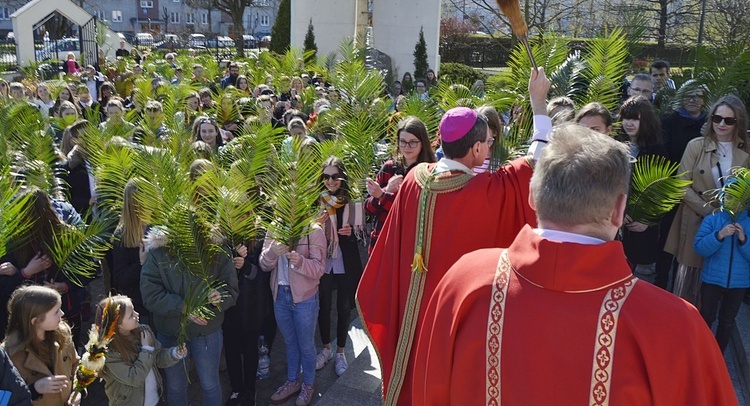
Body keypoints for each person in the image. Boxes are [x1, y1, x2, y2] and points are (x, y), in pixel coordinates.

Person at [412, 124, 738, 405]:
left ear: (531, 196)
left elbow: (428, 391)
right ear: (618, 211)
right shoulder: (676, 326)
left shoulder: (464, 282)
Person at [358, 68, 551, 405]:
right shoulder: (487, 193)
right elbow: (538, 161)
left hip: (411, 313)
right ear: (477, 148)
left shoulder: (417, 177)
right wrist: (538, 103)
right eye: (487, 143)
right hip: (454, 322)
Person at [140, 220, 239, 406]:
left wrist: (220, 297)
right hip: (172, 332)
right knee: (176, 386)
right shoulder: (159, 251)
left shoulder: (216, 249)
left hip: (207, 331)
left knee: (210, 384)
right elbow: (150, 295)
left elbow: (230, 288)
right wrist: (183, 307)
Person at [665, 94, 750, 306]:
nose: (721, 124)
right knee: (689, 279)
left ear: (738, 122)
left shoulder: (745, 151)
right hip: (697, 217)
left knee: (716, 282)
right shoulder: (696, 145)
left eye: (729, 120)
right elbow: (681, 184)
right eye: (717, 118)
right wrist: (710, 213)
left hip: (729, 223)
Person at [259, 220, 326, 406]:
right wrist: (272, 252)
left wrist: (301, 262)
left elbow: (320, 269)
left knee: (305, 345)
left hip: (305, 298)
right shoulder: (275, 226)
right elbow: (264, 264)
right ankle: (292, 381)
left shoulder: (313, 229)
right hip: (280, 296)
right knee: (290, 342)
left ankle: (309, 385)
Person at [655, 82, 708, 289]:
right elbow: (662, 156)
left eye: (698, 96)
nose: (693, 100)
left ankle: (682, 288)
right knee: (667, 240)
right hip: (673, 190)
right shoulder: (669, 122)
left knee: (689, 244)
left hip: (700, 193)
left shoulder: (711, 125)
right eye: (688, 96)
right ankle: (660, 283)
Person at [315, 157, 364, 377]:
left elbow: (362, 237)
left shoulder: (352, 202)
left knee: (343, 308)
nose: (330, 181)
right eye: (326, 177)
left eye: (335, 176)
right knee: (323, 307)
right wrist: (316, 225)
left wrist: (351, 234)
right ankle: (326, 349)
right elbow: (307, 235)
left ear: (341, 177)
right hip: (323, 263)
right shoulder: (316, 202)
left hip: (345, 262)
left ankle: (341, 352)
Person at [365, 116, 437, 253]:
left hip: (412, 245)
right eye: (403, 142)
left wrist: (382, 195)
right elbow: (368, 208)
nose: (407, 147)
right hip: (383, 239)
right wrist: (383, 193)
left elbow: (412, 211)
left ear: (423, 143)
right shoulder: (389, 167)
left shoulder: (430, 171)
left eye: (413, 142)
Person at [694, 181, 750, 353]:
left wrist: (743, 240)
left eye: (737, 198)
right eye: (729, 196)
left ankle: (718, 356)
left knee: (727, 322)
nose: (732, 201)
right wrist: (719, 235)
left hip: (738, 284)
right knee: (706, 317)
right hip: (712, 280)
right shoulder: (713, 220)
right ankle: (701, 353)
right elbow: (700, 248)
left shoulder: (748, 223)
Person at [99, 295, 187, 406]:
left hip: (154, 400)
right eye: (131, 315)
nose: (137, 314)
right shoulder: (109, 352)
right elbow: (134, 378)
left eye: (134, 310)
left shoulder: (144, 331)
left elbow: (157, 358)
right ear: (117, 325)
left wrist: (174, 354)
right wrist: (146, 349)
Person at [1, 285, 79, 406]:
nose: (62, 314)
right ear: (35, 321)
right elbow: (4, 399)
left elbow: (76, 365)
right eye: (56, 312)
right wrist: (34, 389)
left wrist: (78, 391)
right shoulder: (8, 354)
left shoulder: (63, 332)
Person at [618, 96, 667, 273]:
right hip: (615, 222)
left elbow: (663, 190)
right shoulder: (615, 145)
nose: (629, 123)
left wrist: (648, 219)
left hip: (642, 226)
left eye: (635, 119)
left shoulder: (657, 150)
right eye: (626, 117)